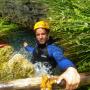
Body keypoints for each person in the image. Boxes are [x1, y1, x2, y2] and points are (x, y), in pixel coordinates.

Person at [23, 21, 80, 90]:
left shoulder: (53, 49)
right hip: (32, 75)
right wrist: (26, 47)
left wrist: (71, 69)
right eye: (38, 35)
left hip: (46, 78)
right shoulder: (37, 47)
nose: (40, 37)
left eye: (43, 34)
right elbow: (33, 51)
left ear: (48, 35)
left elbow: (61, 59)